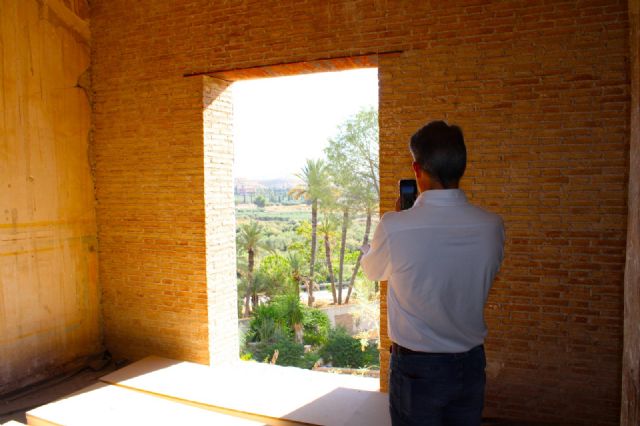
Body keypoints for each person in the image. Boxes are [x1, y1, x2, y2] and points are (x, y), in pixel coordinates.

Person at [360, 121, 505, 426]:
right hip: (470, 363)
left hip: (417, 369)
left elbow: (373, 272)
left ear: (417, 169)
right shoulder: (492, 226)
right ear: (460, 168)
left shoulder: (395, 226)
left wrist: (394, 224)